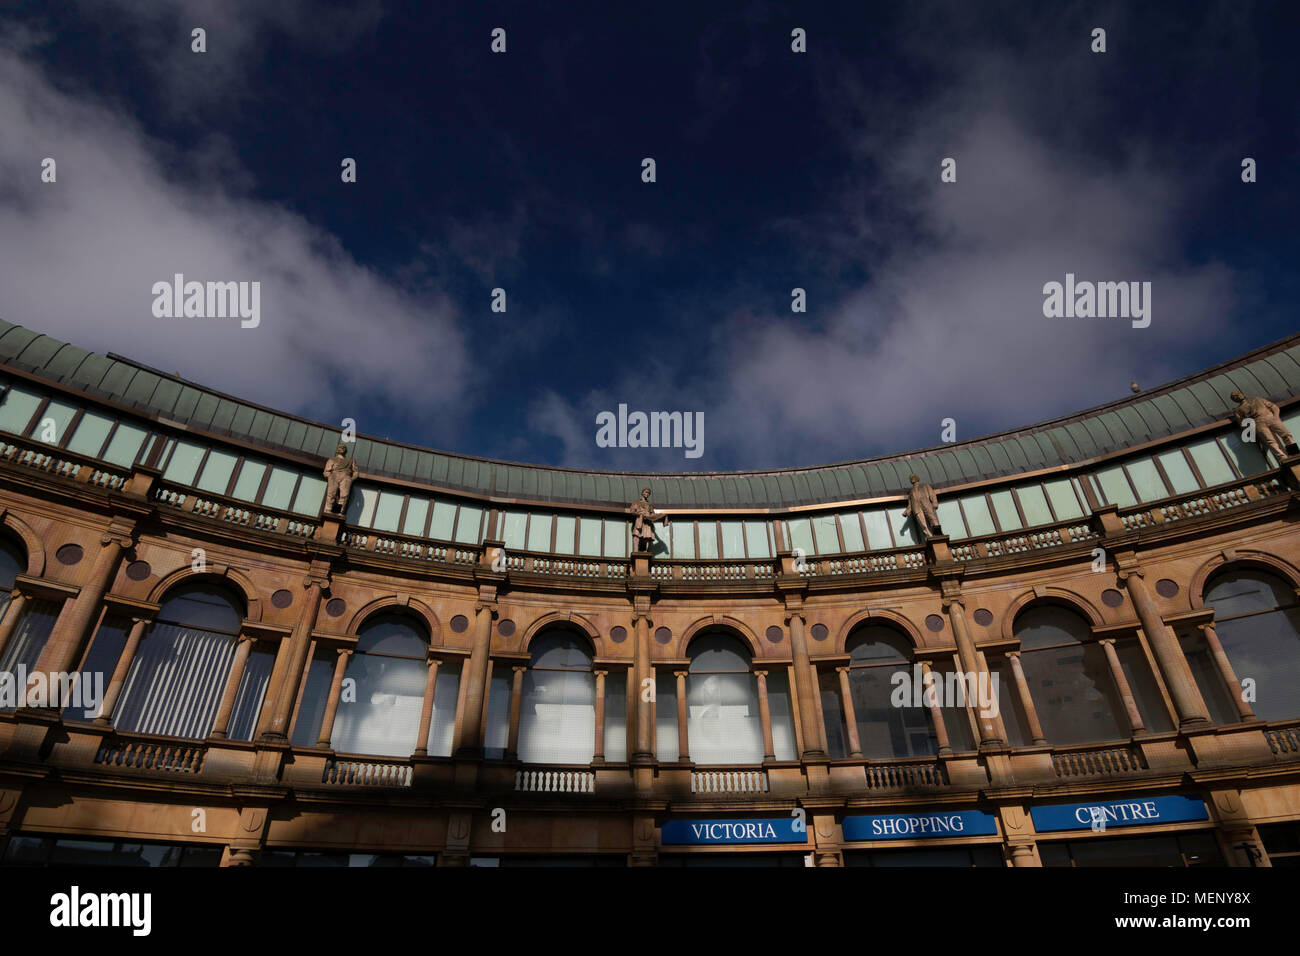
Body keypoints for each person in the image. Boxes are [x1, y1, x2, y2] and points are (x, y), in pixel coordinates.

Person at [1230, 390, 1297, 463]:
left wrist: (1276, 417)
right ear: (1234, 400)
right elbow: (1243, 423)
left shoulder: (1256, 399)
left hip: (1270, 417)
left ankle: (1294, 453)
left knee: (1286, 434)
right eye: (1234, 397)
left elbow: (1273, 406)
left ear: (1242, 394)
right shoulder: (1237, 410)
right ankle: (1282, 457)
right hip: (1258, 424)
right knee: (1270, 441)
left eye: (1238, 394)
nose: (1237, 396)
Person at [629, 486, 668, 552]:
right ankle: (635, 550)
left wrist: (660, 515)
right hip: (639, 520)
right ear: (642, 493)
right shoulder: (637, 502)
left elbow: (652, 514)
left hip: (647, 522)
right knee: (636, 534)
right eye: (646, 492)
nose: (647, 494)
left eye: (648, 493)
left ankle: (646, 550)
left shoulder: (649, 505)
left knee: (647, 536)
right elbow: (632, 511)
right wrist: (639, 513)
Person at [902, 474, 941, 539]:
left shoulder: (925, 485)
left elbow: (932, 494)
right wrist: (907, 511)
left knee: (932, 518)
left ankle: (938, 535)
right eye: (911, 478)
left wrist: (935, 502)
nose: (912, 478)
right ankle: (930, 536)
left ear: (917, 478)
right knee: (923, 524)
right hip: (917, 509)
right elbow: (910, 504)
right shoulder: (911, 492)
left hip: (926, 505)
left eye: (913, 477)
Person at [323, 443, 358, 513]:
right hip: (334, 475)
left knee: (344, 495)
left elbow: (356, 472)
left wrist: (351, 479)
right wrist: (330, 476)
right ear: (337, 450)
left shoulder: (351, 460)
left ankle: (340, 511)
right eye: (340, 447)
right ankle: (328, 510)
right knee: (331, 493)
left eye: (343, 447)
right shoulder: (332, 459)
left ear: (346, 450)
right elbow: (326, 471)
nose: (342, 448)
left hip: (346, 476)